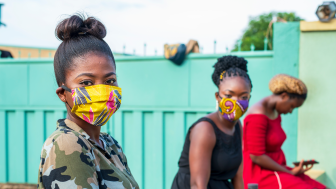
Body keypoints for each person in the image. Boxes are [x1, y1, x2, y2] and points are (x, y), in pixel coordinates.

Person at [37, 14, 139, 189]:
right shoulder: (67, 144)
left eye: (109, 81)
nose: (101, 90)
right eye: (86, 83)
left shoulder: (110, 145)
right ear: (62, 93)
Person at [171, 55, 252, 189]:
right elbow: (197, 185)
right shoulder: (205, 129)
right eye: (228, 95)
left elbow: (238, 177)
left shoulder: (238, 126)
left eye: (243, 96)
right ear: (217, 96)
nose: (236, 102)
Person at [243, 74, 326, 189]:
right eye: (292, 106)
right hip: (260, 174)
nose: (291, 111)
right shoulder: (258, 115)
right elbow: (257, 156)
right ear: (284, 96)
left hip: (277, 169)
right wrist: (290, 173)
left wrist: (291, 170)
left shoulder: (275, 112)